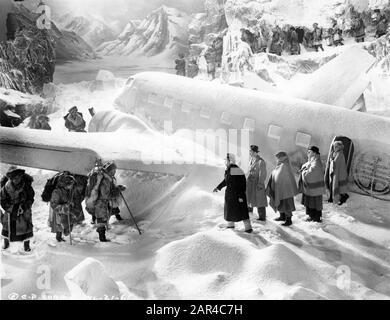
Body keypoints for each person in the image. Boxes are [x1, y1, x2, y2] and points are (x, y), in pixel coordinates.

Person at [85, 161, 126, 242]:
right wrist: (118, 190)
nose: (115, 172)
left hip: (100, 202)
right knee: (101, 221)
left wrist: (117, 188)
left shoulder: (106, 177)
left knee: (101, 220)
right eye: (114, 170)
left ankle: (102, 237)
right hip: (101, 203)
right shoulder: (106, 180)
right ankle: (102, 239)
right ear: (110, 170)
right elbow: (106, 195)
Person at [213, 153, 253, 233]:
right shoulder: (229, 169)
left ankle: (248, 228)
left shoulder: (235, 169)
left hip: (237, 195)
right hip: (230, 195)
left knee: (242, 211)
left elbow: (242, 183)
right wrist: (218, 187)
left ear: (230, 160)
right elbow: (226, 181)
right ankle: (231, 225)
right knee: (230, 210)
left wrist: (241, 195)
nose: (225, 162)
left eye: (226, 160)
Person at [1, 167, 35, 252]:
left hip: (24, 210)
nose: (17, 180)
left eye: (18, 177)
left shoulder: (26, 186)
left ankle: (26, 246)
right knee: (7, 227)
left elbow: (31, 198)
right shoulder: (6, 188)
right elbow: (2, 200)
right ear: (11, 178)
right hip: (10, 210)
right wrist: (10, 208)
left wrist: (25, 207)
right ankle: (6, 243)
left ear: (21, 177)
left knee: (26, 228)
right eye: (14, 178)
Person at [266, 151, 298, 227]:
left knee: (287, 204)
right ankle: (282, 216)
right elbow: (277, 173)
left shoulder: (285, 165)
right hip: (280, 188)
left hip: (286, 190)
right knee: (281, 202)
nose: (277, 159)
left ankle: (289, 220)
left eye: (278, 157)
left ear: (282, 157)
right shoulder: (280, 164)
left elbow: (282, 175)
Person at [298, 146, 326, 222]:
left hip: (315, 188)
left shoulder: (316, 162)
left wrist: (304, 172)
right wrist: (304, 168)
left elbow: (311, 173)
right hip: (313, 188)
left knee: (315, 203)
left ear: (314, 153)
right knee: (311, 202)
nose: (308, 153)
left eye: (309, 152)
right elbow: (307, 165)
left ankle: (316, 218)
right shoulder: (312, 160)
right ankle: (312, 216)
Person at [49, 173, 76, 242]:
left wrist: (70, 204)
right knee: (59, 225)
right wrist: (64, 207)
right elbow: (54, 205)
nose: (72, 186)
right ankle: (58, 238)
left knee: (65, 225)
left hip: (66, 211)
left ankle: (60, 237)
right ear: (66, 184)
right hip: (59, 211)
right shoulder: (56, 192)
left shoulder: (68, 190)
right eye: (71, 184)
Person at [246, 145, 268, 221]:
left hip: (257, 183)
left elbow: (263, 174)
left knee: (260, 200)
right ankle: (250, 213)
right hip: (250, 183)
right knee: (250, 198)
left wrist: (260, 183)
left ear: (255, 152)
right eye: (249, 151)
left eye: (251, 152)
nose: (250, 153)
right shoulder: (251, 159)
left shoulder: (261, 161)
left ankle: (262, 217)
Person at [325, 141, 350, 205]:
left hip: (340, 173)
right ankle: (332, 197)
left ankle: (343, 197)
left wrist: (331, 159)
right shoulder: (334, 153)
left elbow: (335, 163)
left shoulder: (340, 154)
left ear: (340, 147)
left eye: (336, 146)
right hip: (335, 172)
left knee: (339, 186)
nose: (334, 148)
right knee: (333, 185)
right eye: (334, 146)